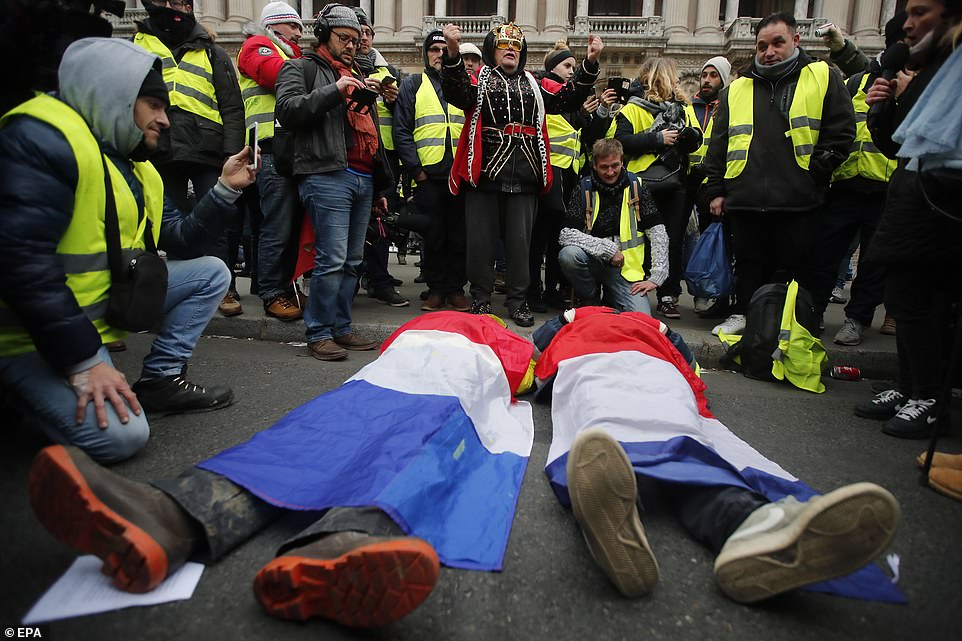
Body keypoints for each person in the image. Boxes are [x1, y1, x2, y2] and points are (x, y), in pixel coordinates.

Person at [26, 312, 537, 627]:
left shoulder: (414, 328)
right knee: (411, 446)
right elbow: (523, 376)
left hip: (393, 373)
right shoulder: (501, 335)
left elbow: (391, 348)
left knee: (315, 434)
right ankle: (349, 534)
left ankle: (174, 515)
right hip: (444, 381)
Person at [531, 306, 904, 603]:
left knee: (603, 417)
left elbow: (540, 344)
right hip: (652, 366)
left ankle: (620, 507)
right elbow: (688, 364)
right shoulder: (653, 324)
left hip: (589, 360)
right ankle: (752, 525)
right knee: (688, 446)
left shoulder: (575, 315)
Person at [0, 37, 257, 463]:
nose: (166, 120)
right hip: (24, 337)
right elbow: (20, 262)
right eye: (154, 105)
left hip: (82, 319)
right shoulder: (41, 137)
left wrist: (226, 189)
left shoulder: (137, 168)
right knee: (122, 437)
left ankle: (159, 380)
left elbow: (181, 238)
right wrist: (84, 361)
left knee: (211, 271)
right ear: (113, 94)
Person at [702, 12, 855, 337]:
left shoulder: (823, 76)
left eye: (777, 43)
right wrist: (716, 189)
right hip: (746, 196)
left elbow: (841, 132)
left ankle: (793, 323)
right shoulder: (736, 88)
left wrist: (815, 173)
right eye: (762, 45)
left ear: (795, 41)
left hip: (799, 198)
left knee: (797, 267)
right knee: (747, 264)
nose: (769, 51)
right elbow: (719, 143)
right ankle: (742, 314)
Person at [440, 22, 603, 327]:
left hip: (526, 176)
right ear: (493, 50)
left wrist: (590, 62)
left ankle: (517, 301)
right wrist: (452, 50)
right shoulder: (479, 79)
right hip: (485, 174)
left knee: (520, 245)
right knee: (481, 244)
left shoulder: (536, 84)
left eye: (516, 46)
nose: (510, 50)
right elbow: (455, 90)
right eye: (504, 46)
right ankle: (481, 299)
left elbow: (569, 98)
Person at [859, 0, 962, 438]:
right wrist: (883, 107)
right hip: (913, 191)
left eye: (920, 11)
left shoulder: (948, 71)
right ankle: (907, 387)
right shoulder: (926, 69)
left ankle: (929, 396)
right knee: (903, 298)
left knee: (922, 302)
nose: (909, 23)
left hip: (942, 200)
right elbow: (896, 146)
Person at [275, 3, 391, 362]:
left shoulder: (356, 74)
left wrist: (380, 186)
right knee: (332, 258)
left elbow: (370, 135)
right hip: (326, 175)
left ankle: (341, 328)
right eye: (345, 38)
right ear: (324, 35)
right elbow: (288, 109)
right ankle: (319, 332)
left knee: (352, 259)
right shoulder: (300, 67)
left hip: (361, 176)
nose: (353, 46)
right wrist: (336, 90)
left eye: (357, 40)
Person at [132, 0, 246, 317]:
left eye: (181, 2)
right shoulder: (138, 45)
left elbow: (232, 107)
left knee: (217, 220)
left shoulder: (212, 52)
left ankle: (224, 287)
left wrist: (232, 154)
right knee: (159, 222)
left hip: (207, 150)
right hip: (160, 149)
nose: (174, 8)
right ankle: (165, 286)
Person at [808, 15, 905, 348]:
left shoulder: (909, 84)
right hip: (846, 183)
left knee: (874, 263)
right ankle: (815, 312)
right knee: (825, 255)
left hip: (886, 188)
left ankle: (858, 319)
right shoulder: (857, 83)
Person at [611, 57, 703, 320]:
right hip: (640, 184)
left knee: (672, 241)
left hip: (675, 182)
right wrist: (657, 139)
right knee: (636, 240)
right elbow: (619, 141)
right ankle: (630, 289)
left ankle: (667, 295)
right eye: (670, 76)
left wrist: (687, 137)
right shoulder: (631, 109)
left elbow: (697, 140)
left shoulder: (683, 109)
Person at [237, 2, 306, 321]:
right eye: (294, 27)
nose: (299, 33)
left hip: (291, 148)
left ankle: (285, 287)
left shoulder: (291, 55)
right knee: (276, 224)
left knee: (291, 226)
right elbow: (274, 75)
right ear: (276, 26)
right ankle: (271, 291)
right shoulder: (257, 46)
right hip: (270, 147)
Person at [393, 30, 470, 313]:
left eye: (443, 48)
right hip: (430, 174)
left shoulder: (463, 84)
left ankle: (456, 290)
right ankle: (437, 290)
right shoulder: (413, 84)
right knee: (435, 236)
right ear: (425, 54)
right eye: (433, 49)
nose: (439, 54)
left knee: (459, 236)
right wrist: (416, 171)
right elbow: (402, 130)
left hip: (459, 174)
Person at [558, 139, 668, 314]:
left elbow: (658, 232)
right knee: (569, 255)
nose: (610, 172)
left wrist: (657, 276)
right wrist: (607, 249)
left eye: (615, 165)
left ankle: (611, 300)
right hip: (592, 260)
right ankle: (590, 297)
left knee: (641, 319)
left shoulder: (637, 186)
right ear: (594, 165)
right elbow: (565, 234)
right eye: (604, 167)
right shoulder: (584, 187)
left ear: (622, 161)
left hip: (625, 270)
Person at [688, 55, 731, 316]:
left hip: (716, 186)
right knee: (690, 242)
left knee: (717, 246)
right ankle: (693, 292)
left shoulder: (730, 107)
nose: (706, 80)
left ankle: (714, 295)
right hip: (690, 182)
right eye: (704, 75)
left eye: (713, 76)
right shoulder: (689, 107)